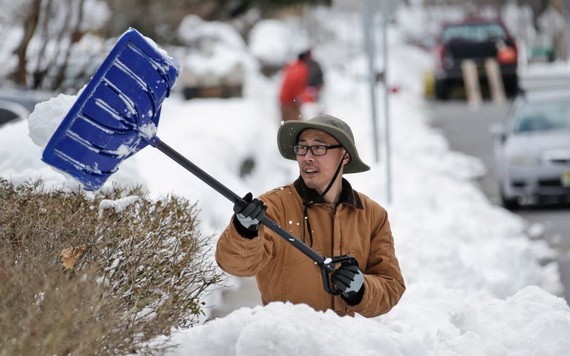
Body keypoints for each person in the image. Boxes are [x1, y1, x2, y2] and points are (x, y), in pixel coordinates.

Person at [215, 114, 405, 317]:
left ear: (345, 156)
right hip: (291, 342)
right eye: (302, 148)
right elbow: (236, 265)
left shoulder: (371, 215)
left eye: (318, 148)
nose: (307, 157)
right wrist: (244, 231)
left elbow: (390, 286)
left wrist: (361, 290)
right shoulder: (273, 208)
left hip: (344, 343)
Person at [277, 50, 311, 122]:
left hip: (284, 99)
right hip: (290, 101)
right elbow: (296, 86)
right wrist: (301, 98)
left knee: (286, 124)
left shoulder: (293, 66)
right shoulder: (301, 69)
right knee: (293, 124)